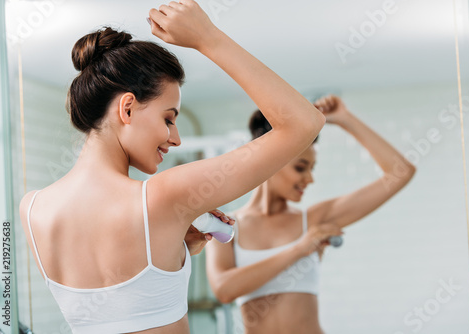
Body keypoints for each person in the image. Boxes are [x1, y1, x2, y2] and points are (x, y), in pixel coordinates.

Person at [18, 1, 326, 334]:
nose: (175, 138)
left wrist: (172, 252)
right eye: (169, 118)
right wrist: (207, 37)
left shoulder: (32, 207)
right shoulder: (163, 196)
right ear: (128, 108)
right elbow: (304, 123)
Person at [205, 95, 416, 334]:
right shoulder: (227, 225)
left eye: (311, 168)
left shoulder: (314, 219)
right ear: (270, 159)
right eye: (300, 167)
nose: (310, 179)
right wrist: (299, 248)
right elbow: (224, 289)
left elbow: (400, 173)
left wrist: (345, 118)